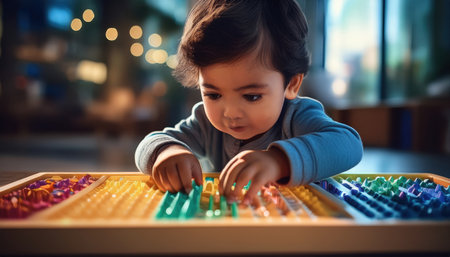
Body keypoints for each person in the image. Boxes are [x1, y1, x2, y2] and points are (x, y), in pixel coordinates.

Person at [135, 0, 363, 204]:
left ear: (291, 84)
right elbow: (150, 143)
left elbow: (349, 144)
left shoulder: (296, 116)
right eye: (214, 95)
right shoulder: (205, 122)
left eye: (252, 96)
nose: (231, 113)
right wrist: (166, 152)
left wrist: (279, 161)